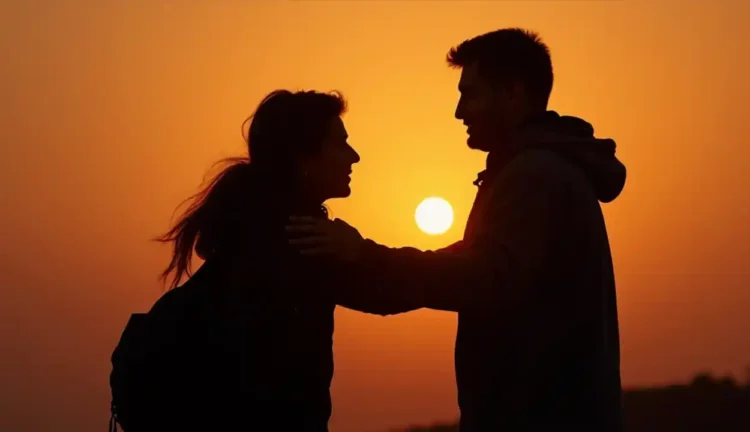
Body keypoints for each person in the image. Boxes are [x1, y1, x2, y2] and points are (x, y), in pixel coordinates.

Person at [287, 28, 627, 430]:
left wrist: (363, 254)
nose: (459, 111)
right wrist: (355, 266)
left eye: (470, 93)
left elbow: (484, 277)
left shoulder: (535, 175)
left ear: (512, 95)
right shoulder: (535, 170)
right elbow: (475, 266)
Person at [110, 90, 416, 432]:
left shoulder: (253, 234)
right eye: (340, 143)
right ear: (302, 157)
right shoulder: (301, 246)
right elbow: (396, 290)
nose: (354, 156)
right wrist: (360, 252)